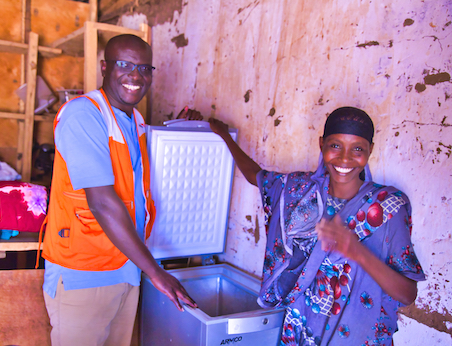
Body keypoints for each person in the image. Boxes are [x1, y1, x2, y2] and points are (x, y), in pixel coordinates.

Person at [208, 107, 425, 345]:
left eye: (358, 149)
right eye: (335, 145)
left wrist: (358, 252)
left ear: (370, 150)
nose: (345, 158)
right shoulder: (299, 190)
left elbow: (407, 294)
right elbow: (255, 176)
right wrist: (223, 134)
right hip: (301, 332)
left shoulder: (387, 207)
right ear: (321, 144)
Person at [40, 34, 200, 346]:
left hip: (126, 269)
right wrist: (155, 272)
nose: (136, 76)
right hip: (84, 273)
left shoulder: (135, 120)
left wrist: (180, 130)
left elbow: (136, 181)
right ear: (105, 67)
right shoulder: (83, 114)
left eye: (144, 68)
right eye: (125, 65)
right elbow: (102, 202)